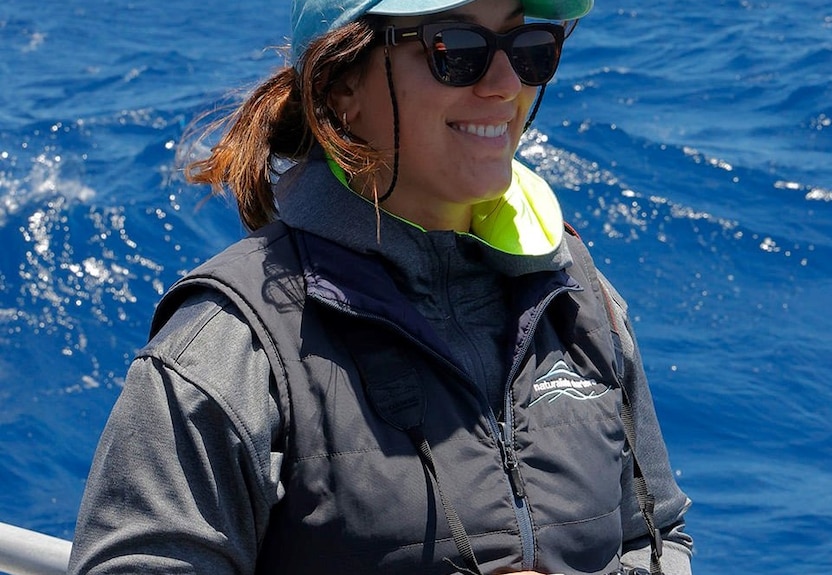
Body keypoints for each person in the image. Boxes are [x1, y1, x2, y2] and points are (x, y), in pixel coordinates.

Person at [68, 0, 694, 573]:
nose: (506, 84)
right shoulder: (229, 348)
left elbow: (656, 538)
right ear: (341, 85)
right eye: (455, 50)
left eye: (531, 46)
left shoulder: (580, 298)